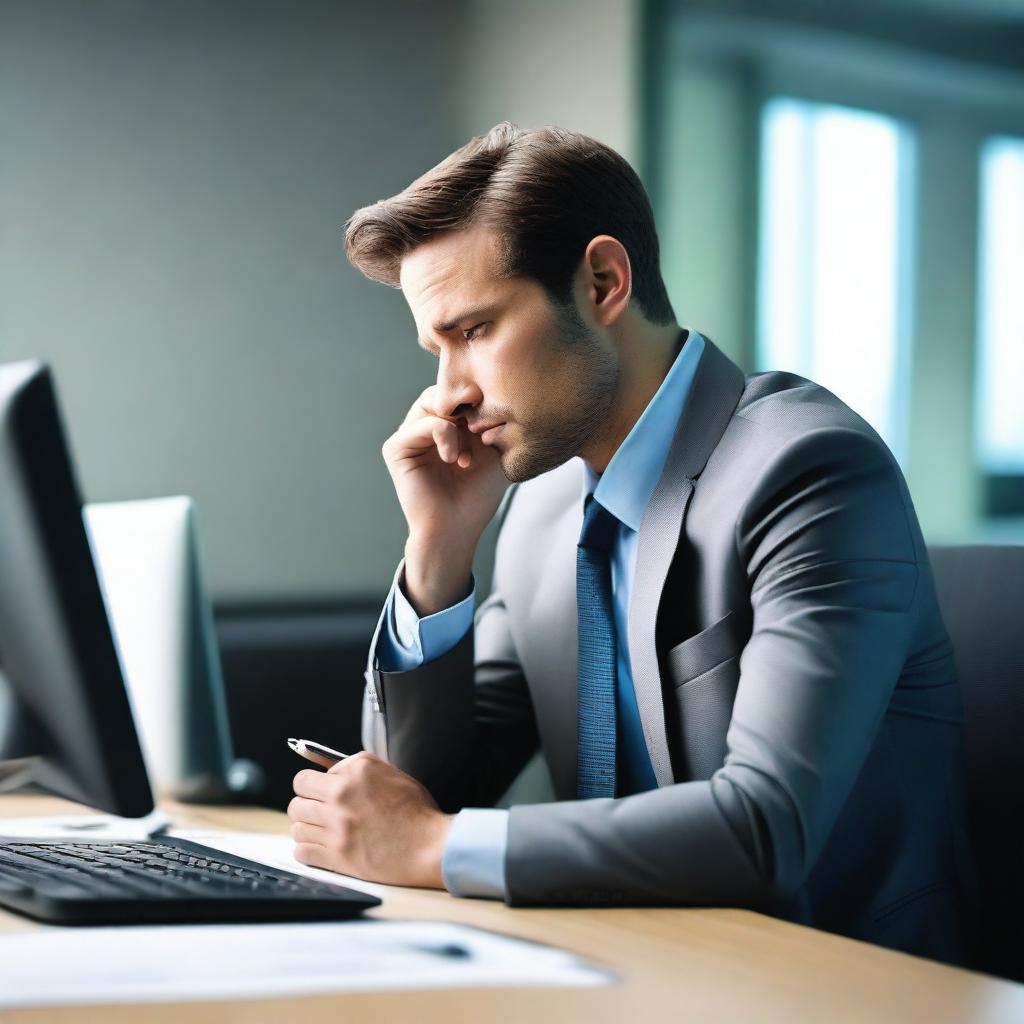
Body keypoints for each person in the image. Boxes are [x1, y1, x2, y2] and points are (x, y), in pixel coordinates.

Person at [287, 123, 974, 964]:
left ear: (604, 282)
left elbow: (766, 828)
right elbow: (416, 802)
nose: (449, 395)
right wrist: (439, 550)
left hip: (839, 984)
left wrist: (433, 846)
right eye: (437, 349)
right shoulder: (538, 512)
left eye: (474, 332)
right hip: (626, 966)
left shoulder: (807, 469)